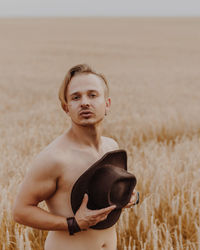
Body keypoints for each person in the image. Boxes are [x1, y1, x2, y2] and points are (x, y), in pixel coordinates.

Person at [13, 64, 138, 250]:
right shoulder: (54, 158)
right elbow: (20, 212)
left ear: (107, 104)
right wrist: (73, 224)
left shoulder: (111, 147)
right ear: (66, 108)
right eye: (76, 97)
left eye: (92, 95)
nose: (85, 102)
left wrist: (132, 198)